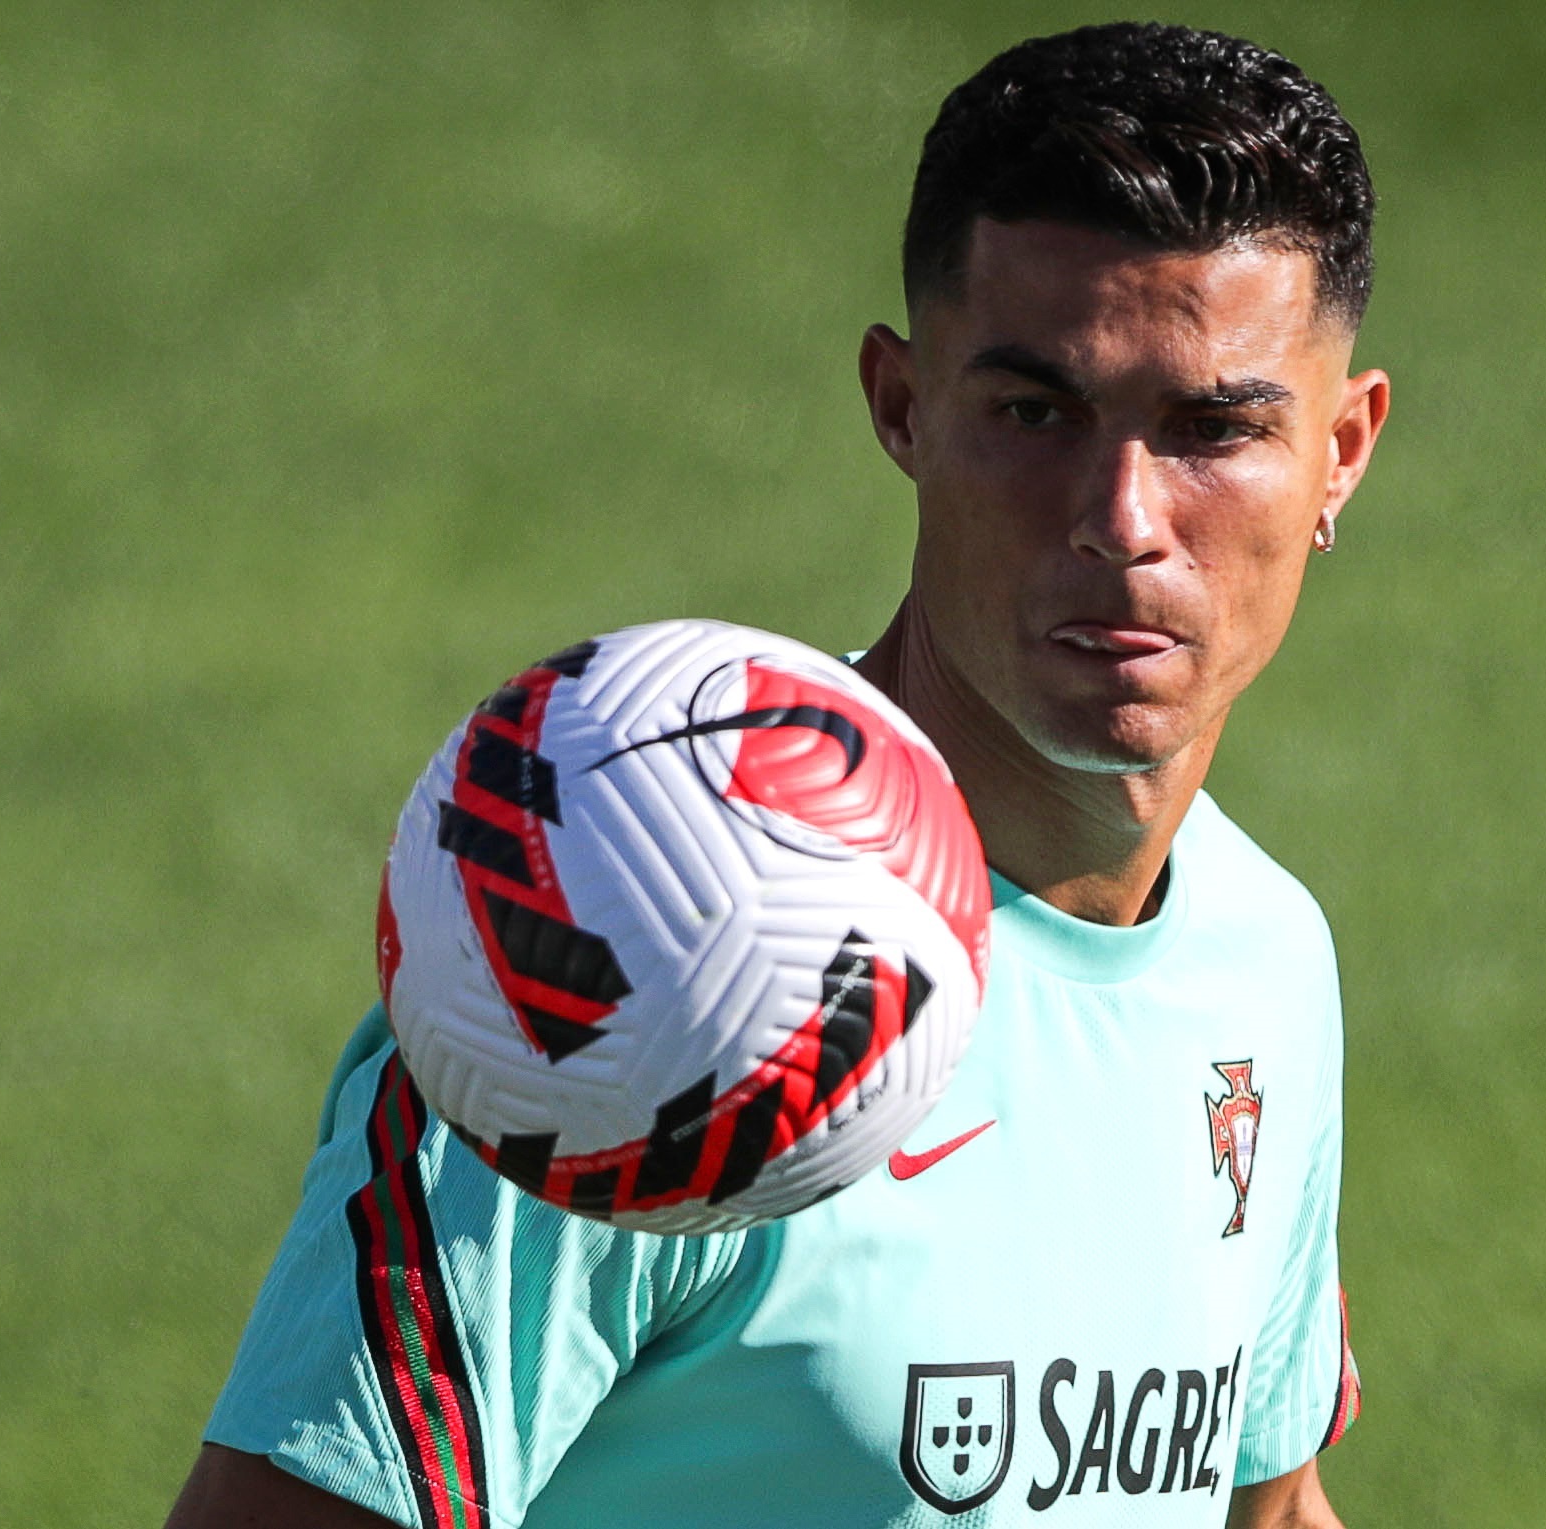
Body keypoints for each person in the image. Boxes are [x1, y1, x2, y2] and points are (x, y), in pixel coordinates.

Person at [166, 21, 1389, 1528]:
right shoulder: (641, 969)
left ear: (1341, 451)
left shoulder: (1263, 959)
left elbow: (1268, 1507)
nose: (1122, 519)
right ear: (901, 407)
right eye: (1035, 413)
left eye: (1214, 429)